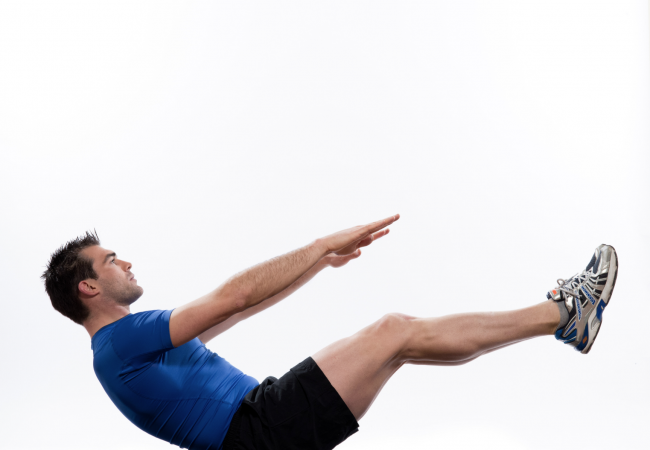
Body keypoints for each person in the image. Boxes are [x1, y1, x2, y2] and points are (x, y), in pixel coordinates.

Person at [42, 215, 618, 450]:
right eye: (111, 260)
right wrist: (319, 244)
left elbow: (238, 311)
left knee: (400, 341)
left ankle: (563, 319)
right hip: (259, 428)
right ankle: (564, 313)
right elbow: (233, 296)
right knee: (394, 333)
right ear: (88, 287)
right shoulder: (121, 341)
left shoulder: (127, 351)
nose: (126, 262)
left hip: (261, 426)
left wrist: (319, 265)